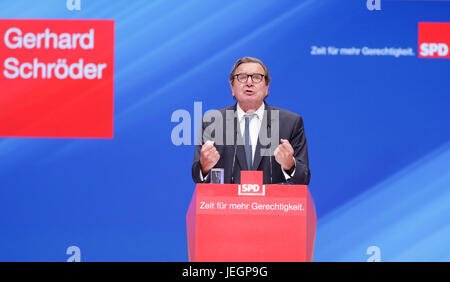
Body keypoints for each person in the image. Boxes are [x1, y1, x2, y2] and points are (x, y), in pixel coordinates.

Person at [192, 57, 310, 184]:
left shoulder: (291, 123)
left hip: (272, 204)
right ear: (232, 88)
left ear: (266, 87)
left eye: (256, 77)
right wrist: (204, 167)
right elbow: (197, 177)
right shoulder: (212, 122)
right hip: (228, 203)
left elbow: (304, 178)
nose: (249, 82)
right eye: (242, 77)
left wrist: (290, 165)